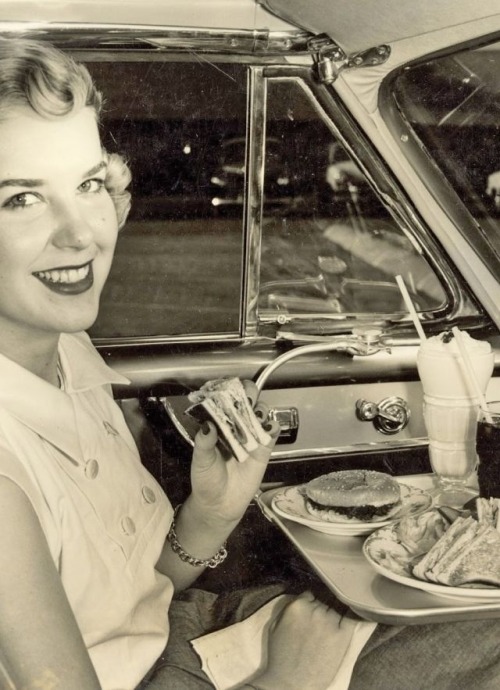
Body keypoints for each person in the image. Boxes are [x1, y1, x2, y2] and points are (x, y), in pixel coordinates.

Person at [0, 37, 351, 690]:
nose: (82, 234)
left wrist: (213, 511)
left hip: (193, 636)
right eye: (21, 198)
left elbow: (133, 601)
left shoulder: (65, 349)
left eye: (88, 184)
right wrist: (286, 682)